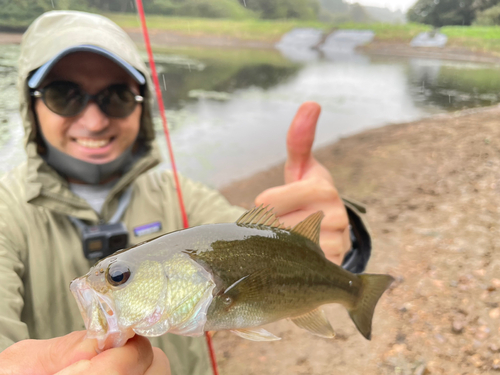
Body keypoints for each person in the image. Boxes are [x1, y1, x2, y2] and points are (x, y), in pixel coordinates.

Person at [0, 10, 371, 375]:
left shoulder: (182, 196)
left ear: (140, 106)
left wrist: (342, 234)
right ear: (30, 105)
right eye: (64, 95)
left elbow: (249, 236)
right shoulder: (6, 213)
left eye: (116, 96)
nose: (94, 120)